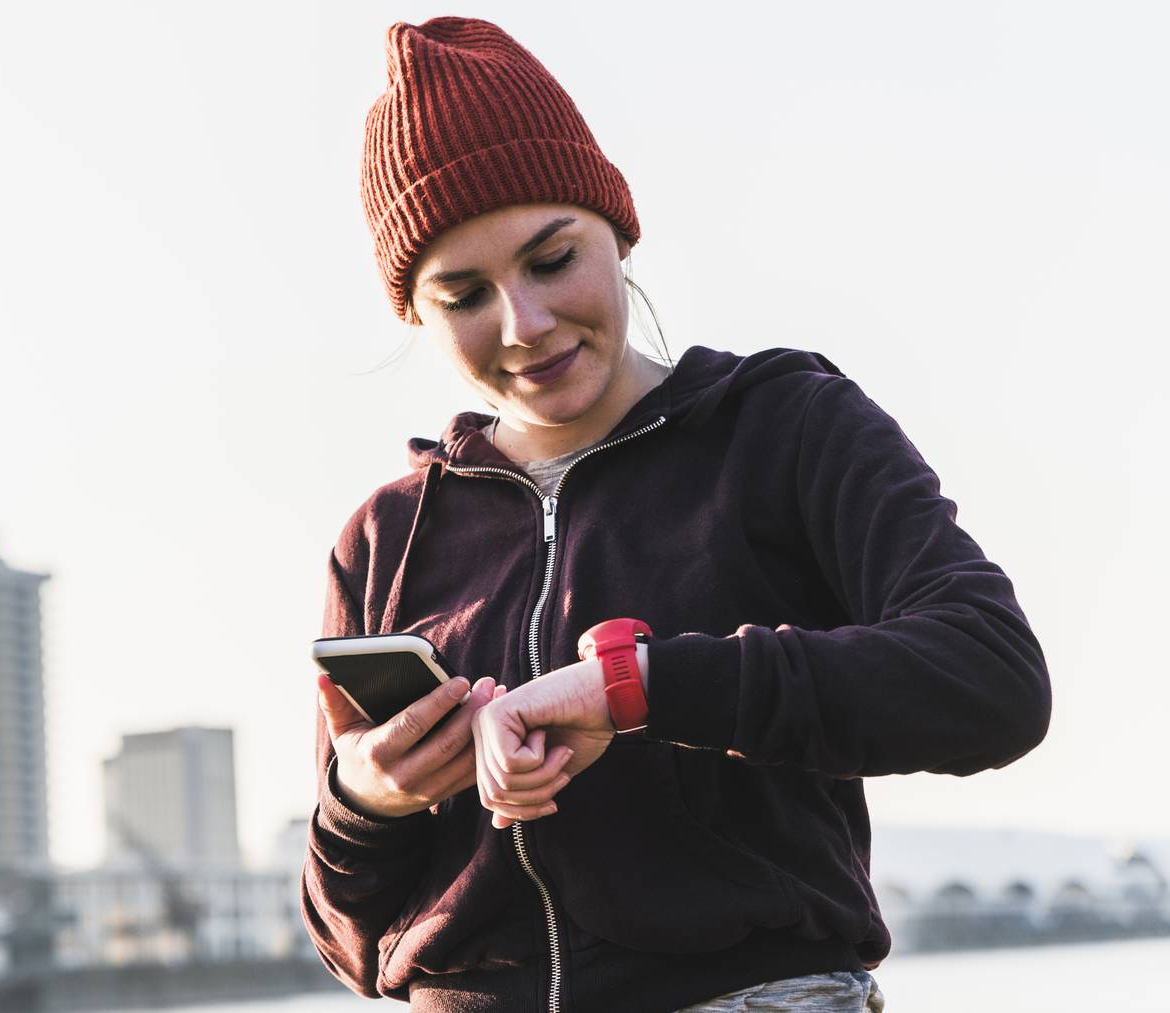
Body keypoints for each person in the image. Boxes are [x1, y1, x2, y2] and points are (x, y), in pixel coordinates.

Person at [301, 16, 1050, 1013]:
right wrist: (369, 799)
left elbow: (991, 676)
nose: (525, 324)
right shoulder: (385, 539)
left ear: (617, 227)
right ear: (416, 313)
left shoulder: (783, 425)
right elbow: (349, 940)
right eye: (465, 293)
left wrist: (638, 687)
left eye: (552, 257)